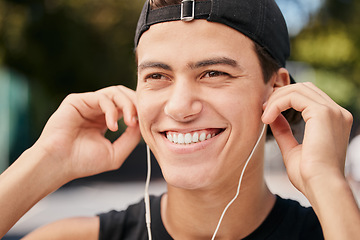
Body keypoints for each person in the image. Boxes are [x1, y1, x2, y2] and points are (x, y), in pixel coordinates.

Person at [1, 0, 359, 239]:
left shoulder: (338, 228)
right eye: (157, 76)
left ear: (277, 90)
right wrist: (45, 161)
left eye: (214, 73)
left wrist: (327, 184)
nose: (179, 106)